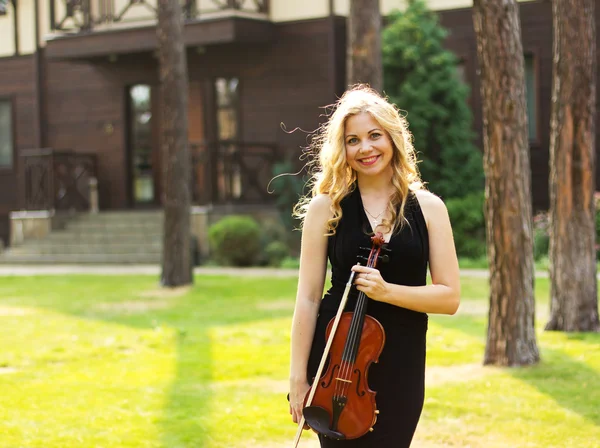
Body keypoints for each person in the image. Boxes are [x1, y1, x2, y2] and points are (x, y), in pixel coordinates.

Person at [288, 85, 461, 447]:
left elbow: (449, 298)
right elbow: (307, 298)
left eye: (374, 136)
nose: (365, 148)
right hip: (335, 363)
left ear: (393, 138)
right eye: (353, 140)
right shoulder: (327, 208)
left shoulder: (429, 208)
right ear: (342, 149)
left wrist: (386, 291)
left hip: (401, 357)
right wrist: (298, 378)